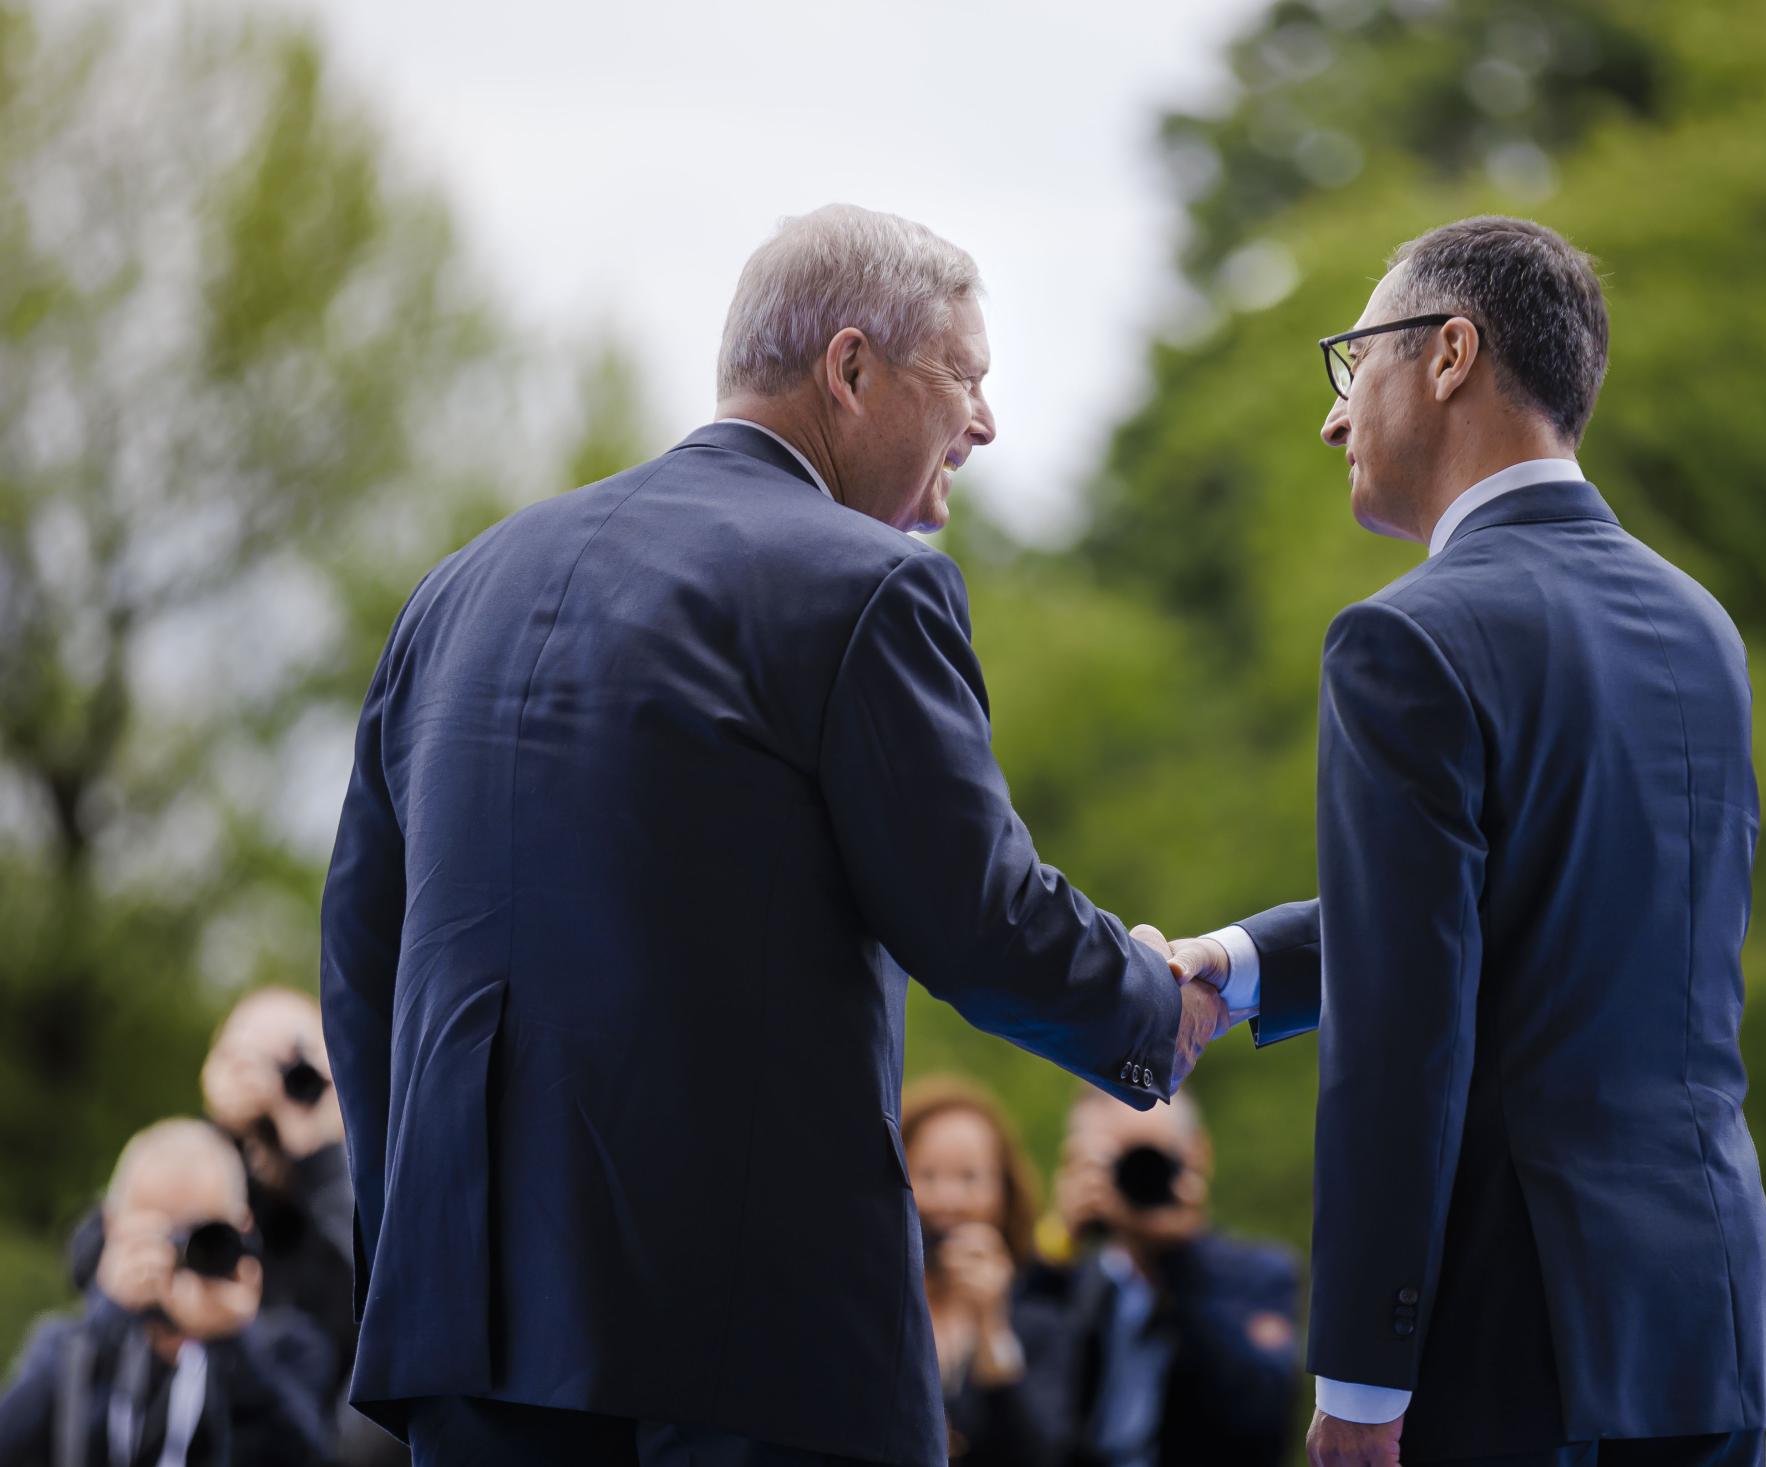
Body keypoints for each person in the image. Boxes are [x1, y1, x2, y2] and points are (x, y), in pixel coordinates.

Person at [319, 204, 1229, 1467]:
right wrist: (1152, 1010)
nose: (984, 420)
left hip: (469, 1342)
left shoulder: (459, 587)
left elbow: (364, 967)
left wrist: (429, 1246)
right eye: (963, 376)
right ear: (850, 370)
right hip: (749, 1359)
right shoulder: (865, 582)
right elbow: (977, 918)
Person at [1166, 216, 1766, 1466]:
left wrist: (1360, 1380)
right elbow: (1546, 922)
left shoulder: (1405, 638)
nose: (1334, 418)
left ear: (1450, 354)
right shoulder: (1700, 629)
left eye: (1355, 363)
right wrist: (1237, 967)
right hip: (1709, 1333)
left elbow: (1406, 1031)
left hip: (1514, 1354)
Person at [0, 1119, 332, 1466]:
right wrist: (107, 1317)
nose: (177, 1257)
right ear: (112, 1227)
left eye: (202, 1236)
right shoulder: (68, 1348)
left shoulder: (287, 1349)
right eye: (156, 1235)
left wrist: (230, 1338)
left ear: (242, 1228)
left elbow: (308, 1453)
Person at [1038, 1087, 1302, 1467]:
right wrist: (1056, 1250)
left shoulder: (1260, 1275)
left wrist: (1180, 1258)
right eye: (1119, 1162)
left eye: (1152, 1158)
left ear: (1197, 1155)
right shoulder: (1078, 1283)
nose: (1138, 1178)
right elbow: (1019, 1404)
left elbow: (1259, 1418)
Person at [201, 988, 406, 1467]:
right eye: (246, 1062)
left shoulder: (351, 1190)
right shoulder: (210, 1174)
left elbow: (373, 1286)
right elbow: (97, 1254)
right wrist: (218, 1130)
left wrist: (320, 1147)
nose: (272, 1086)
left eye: (297, 1068)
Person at [901, 1077, 1074, 1466]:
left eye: (969, 1178)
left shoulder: (1040, 1322)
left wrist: (990, 1326)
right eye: (927, 1176)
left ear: (1004, 1193)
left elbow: (1037, 1454)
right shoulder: (871, 1307)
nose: (949, 1199)